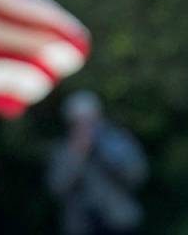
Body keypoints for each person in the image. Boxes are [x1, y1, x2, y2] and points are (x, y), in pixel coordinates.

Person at [47, 91, 149, 235]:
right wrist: (77, 156)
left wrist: (104, 152)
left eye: (89, 120)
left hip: (119, 221)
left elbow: (136, 175)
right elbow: (56, 187)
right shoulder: (64, 150)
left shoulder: (117, 140)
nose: (85, 127)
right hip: (81, 226)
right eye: (78, 122)